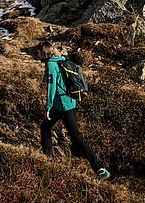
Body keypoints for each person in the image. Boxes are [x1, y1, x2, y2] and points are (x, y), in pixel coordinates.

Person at [38, 41, 110, 179]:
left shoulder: (50, 65)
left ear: (44, 52)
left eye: (38, 52)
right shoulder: (60, 60)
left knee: (76, 137)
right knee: (46, 127)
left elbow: (51, 87)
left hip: (62, 105)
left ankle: (100, 168)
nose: (37, 54)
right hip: (69, 101)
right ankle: (46, 158)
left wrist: (48, 107)